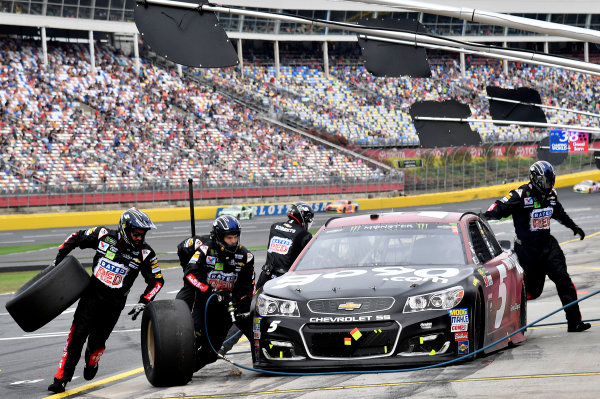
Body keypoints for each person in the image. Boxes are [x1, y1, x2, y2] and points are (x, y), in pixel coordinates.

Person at [47, 207, 164, 393]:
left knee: (96, 344)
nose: (139, 238)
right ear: (124, 229)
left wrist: (144, 300)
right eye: (136, 234)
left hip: (114, 305)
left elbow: (157, 281)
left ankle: (92, 361)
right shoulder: (103, 235)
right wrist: (59, 258)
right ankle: (61, 378)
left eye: (143, 234)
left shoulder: (146, 254)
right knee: (76, 336)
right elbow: (76, 237)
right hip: (91, 297)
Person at [483, 160, 590, 333]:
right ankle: (516, 326)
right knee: (531, 290)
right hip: (527, 251)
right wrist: (484, 216)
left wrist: (573, 227)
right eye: (545, 181)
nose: (548, 185)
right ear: (536, 179)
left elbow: (559, 213)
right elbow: (498, 208)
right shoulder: (520, 195)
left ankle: (574, 321)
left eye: (550, 180)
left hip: (548, 246)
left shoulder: (551, 195)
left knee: (564, 280)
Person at [176, 215, 255, 371]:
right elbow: (190, 275)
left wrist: (233, 297)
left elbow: (248, 288)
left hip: (226, 308)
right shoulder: (206, 250)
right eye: (229, 237)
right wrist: (208, 290)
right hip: (204, 301)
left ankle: (185, 370)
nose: (233, 241)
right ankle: (175, 367)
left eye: (235, 237)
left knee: (211, 354)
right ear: (219, 237)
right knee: (193, 337)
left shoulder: (246, 256)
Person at [255, 201, 314, 290]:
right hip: (286, 280)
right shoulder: (305, 235)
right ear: (304, 217)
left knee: (257, 300)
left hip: (266, 275)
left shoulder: (274, 227)